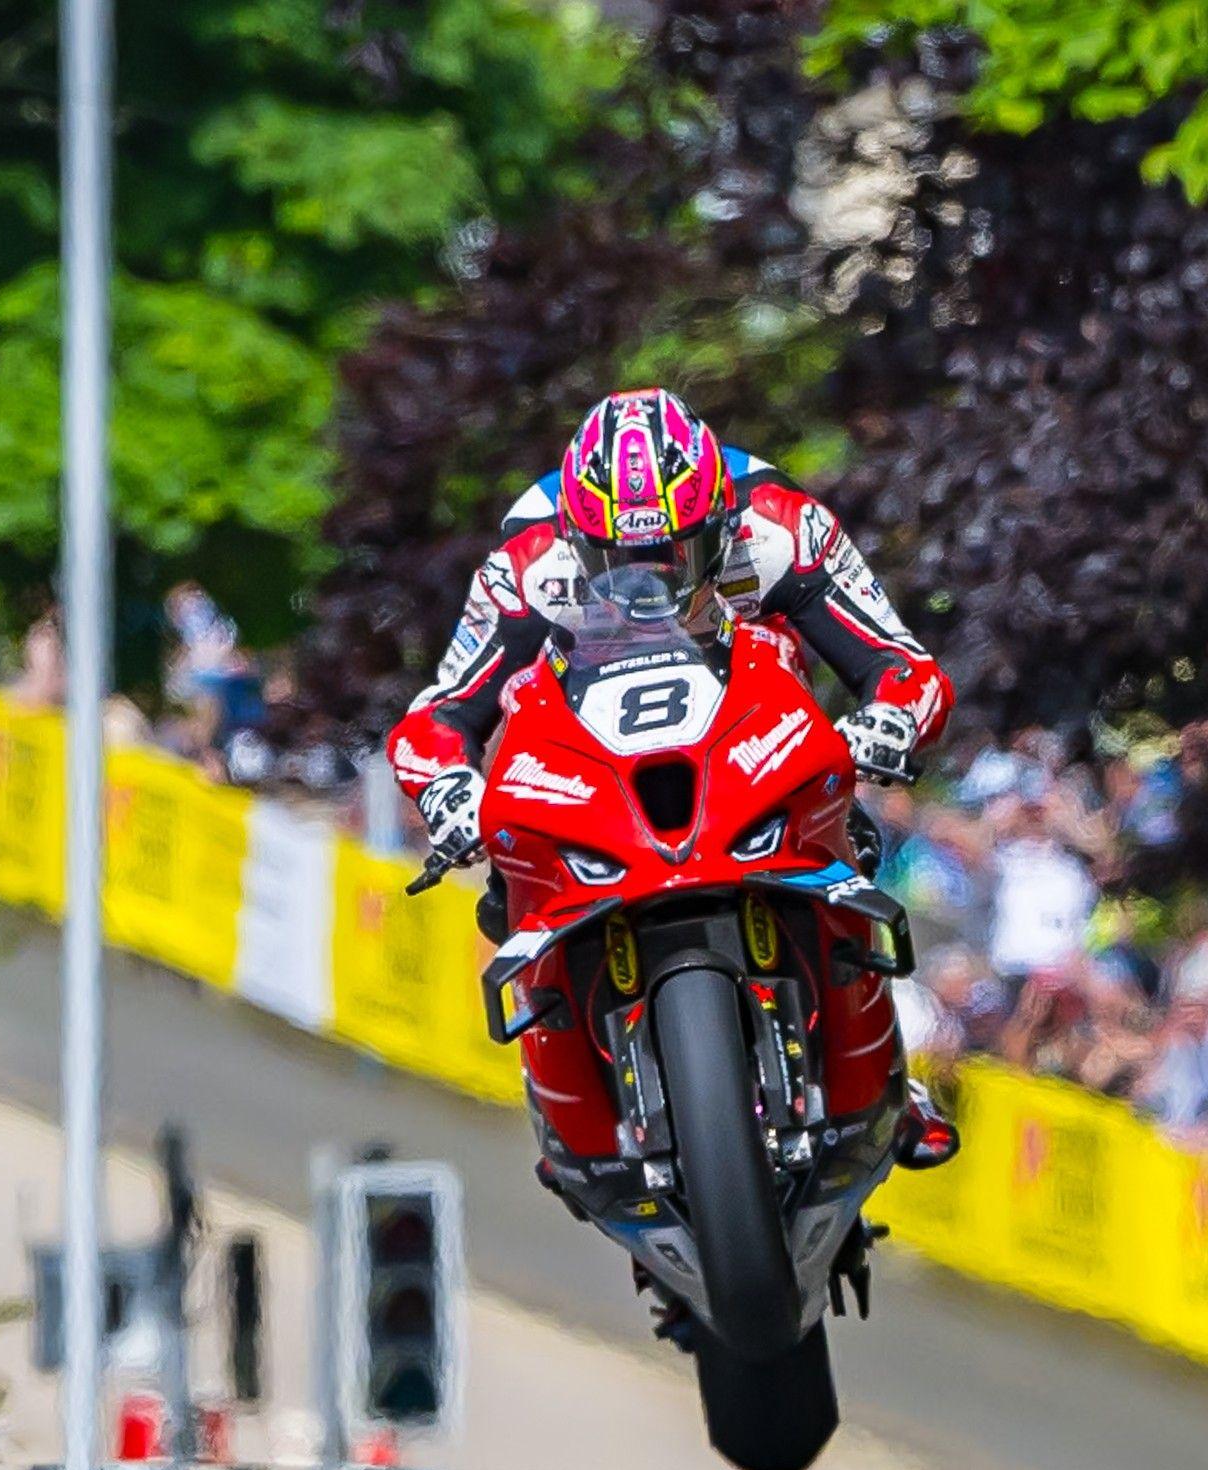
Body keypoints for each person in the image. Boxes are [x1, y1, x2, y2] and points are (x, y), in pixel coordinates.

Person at [383, 387, 958, 1167]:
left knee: (844, 827)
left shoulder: (782, 528)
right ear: (582, 544)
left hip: (746, 738)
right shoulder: (527, 568)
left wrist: (885, 721)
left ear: (718, 522)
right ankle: (568, 1109)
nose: (650, 579)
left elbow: (904, 661)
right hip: (596, 770)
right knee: (510, 882)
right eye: (620, 563)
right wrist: (450, 792)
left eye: (674, 555)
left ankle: (883, 1079)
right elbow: (436, 716)